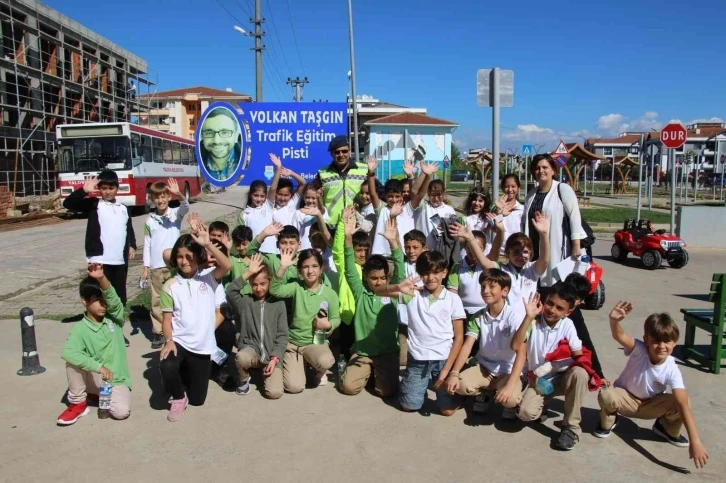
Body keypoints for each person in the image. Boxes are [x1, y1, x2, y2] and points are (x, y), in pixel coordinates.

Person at [595, 302, 708, 469]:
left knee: (683, 403)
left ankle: (666, 429)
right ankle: (610, 420)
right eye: (656, 341)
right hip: (625, 398)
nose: (661, 346)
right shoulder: (639, 350)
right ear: (646, 340)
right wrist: (614, 322)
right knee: (606, 395)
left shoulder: (672, 369)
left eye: (667, 341)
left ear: (674, 343)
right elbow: (620, 336)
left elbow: (682, 404)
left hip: (650, 404)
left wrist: (695, 441)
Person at [159, 221, 232, 422]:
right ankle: (178, 396)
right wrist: (169, 340)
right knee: (167, 365)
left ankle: (182, 380)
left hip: (202, 347)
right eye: (180, 256)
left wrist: (207, 243)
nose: (184, 261)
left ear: (198, 258)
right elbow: (167, 320)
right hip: (180, 342)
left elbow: (227, 265)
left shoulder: (208, 278)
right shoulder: (170, 285)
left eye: (189, 256)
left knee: (198, 400)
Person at [511, 284, 588, 451]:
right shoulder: (534, 322)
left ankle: (571, 428)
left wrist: (547, 368)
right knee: (525, 413)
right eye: (550, 303)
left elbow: (578, 354)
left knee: (580, 374)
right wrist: (528, 317)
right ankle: (542, 404)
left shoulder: (567, 325)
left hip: (560, 378)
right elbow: (515, 345)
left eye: (560, 308)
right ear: (544, 301)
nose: (552, 310)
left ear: (568, 312)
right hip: (536, 380)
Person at [63, 170, 136, 345]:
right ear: (99, 189)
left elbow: (128, 229)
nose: (108, 191)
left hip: (119, 261)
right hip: (100, 260)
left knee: (118, 298)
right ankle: (97, 332)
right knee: (98, 297)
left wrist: (132, 244)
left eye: (111, 188)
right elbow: (69, 203)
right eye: (104, 188)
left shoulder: (123, 209)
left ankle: (116, 330)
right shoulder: (95, 205)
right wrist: (84, 191)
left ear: (117, 188)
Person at [446, 268, 526, 419]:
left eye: (491, 287)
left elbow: (521, 353)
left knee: (511, 399)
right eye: (483, 286)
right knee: (460, 385)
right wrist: (454, 373)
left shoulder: (515, 317)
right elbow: (468, 345)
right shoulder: (478, 317)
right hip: (485, 367)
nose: (485, 291)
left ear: (505, 291)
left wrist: (509, 386)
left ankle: (511, 388)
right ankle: (485, 391)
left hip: (507, 370)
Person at [57, 263, 131, 425]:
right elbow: (68, 352)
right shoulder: (80, 329)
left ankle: (96, 395)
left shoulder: (115, 318)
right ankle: (78, 403)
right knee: (73, 360)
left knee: (121, 412)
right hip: (97, 376)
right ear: (84, 301)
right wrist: (98, 368)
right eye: (97, 301)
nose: (103, 305)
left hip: (116, 380)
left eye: (105, 301)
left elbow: (114, 301)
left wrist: (101, 278)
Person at [339, 215, 403, 398]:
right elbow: (349, 268)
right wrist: (348, 238)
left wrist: (394, 243)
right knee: (349, 388)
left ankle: (378, 373)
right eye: (374, 278)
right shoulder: (360, 293)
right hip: (363, 352)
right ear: (366, 278)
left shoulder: (392, 293)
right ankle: (365, 370)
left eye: (383, 278)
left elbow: (400, 270)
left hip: (387, 352)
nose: (379, 282)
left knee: (386, 391)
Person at [398, 251, 466, 416]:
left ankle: (457, 395)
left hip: (443, 359)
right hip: (418, 358)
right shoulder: (413, 294)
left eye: (435, 272)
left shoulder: (453, 299)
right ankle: (413, 387)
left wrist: (446, 371)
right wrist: (398, 287)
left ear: (444, 272)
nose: (430, 277)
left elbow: (459, 338)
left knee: (447, 411)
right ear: (420, 275)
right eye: (425, 273)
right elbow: (380, 291)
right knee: (409, 407)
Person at [270, 248, 340, 393]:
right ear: (300, 271)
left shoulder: (329, 293)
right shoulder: (296, 287)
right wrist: (283, 267)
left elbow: (336, 318)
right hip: (294, 343)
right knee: (294, 387)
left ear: (321, 269)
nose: (310, 271)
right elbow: (274, 290)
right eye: (305, 267)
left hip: (316, 342)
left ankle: (316, 369)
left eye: (314, 266)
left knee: (326, 360)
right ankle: (298, 364)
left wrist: (328, 324)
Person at [226, 254, 288, 399]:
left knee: (274, 393)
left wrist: (274, 359)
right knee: (241, 357)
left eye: (262, 284)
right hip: (251, 348)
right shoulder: (245, 302)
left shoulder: (278, 304)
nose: (258, 288)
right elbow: (230, 292)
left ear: (269, 282)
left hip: (270, 353)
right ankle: (243, 379)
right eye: (254, 284)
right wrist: (248, 273)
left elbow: (282, 335)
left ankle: (267, 368)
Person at [522, 154, 585, 292]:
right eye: (537, 168)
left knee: (556, 285)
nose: (541, 171)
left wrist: (576, 245)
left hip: (556, 245)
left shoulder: (562, 189)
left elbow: (575, 216)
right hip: (534, 246)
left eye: (545, 167)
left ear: (553, 171)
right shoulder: (531, 194)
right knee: (535, 284)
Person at [141, 179, 189, 349]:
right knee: (156, 299)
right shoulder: (150, 220)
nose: (160, 200)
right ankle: (158, 331)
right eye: (157, 197)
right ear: (152, 199)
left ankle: (175, 328)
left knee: (175, 297)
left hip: (173, 265)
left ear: (169, 197)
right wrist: (146, 267)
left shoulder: (175, 214)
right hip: (156, 266)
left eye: (163, 196)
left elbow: (186, 207)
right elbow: (147, 244)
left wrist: (179, 194)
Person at [370, 160, 436, 257]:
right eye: (390, 196)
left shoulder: (407, 209)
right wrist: (370, 173)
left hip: (403, 256)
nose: (394, 199)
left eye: (397, 196)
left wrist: (427, 176)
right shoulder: (382, 210)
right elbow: (372, 194)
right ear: (385, 196)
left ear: (402, 196)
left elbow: (419, 194)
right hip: (383, 257)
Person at [332, 206, 372, 361]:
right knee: (346, 350)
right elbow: (338, 249)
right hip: (348, 317)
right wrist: (343, 224)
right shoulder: (345, 266)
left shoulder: (371, 269)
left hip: (365, 318)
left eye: (365, 250)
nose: (363, 254)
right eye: (359, 250)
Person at [497, 214, 550, 310]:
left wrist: (544, 234)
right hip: (506, 321)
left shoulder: (532, 269)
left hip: (528, 319)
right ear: (508, 252)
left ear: (531, 253)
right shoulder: (501, 270)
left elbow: (545, 259)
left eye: (525, 252)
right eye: (516, 252)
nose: (521, 256)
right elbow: (486, 262)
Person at [316, 135, 369, 226]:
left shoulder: (364, 169)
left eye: (344, 151)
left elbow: (377, 193)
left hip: (357, 224)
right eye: (337, 152)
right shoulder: (322, 173)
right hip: (332, 225)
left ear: (350, 151)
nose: (341, 155)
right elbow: (312, 194)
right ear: (331, 154)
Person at [564, 273, 606, 381]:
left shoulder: (575, 313)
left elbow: (586, 341)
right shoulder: (548, 305)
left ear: (581, 300)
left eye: (576, 299)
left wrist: (599, 375)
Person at [200, 107, 242, 181]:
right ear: (202, 137)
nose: (217, 141)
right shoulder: (196, 165)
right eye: (209, 133)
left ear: (236, 136)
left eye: (225, 132)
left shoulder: (246, 165)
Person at [238, 174, 276, 254]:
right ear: (250, 194)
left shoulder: (267, 207)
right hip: (254, 253)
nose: (259, 199)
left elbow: (273, 188)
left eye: (262, 196)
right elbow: (241, 236)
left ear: (266, 196)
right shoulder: (244, 214)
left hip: (271, 251)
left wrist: (278, 168)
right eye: (256, 195)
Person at [268, 153, 307, 228]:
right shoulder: (271, 207)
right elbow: (273, 188)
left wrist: (291, 173)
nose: (282, 198)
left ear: (291, 195)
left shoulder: (293, 202)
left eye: (286, 195)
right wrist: (278, 168)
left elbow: (303, 184)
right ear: (275, 193)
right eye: (280, 194)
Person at [292, 184, 331, 250]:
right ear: (303, 196)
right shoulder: (298, 213)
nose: (310, 201)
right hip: (304, 250)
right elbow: (295, 234)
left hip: (322, 250)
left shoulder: (323, 211)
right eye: (307, 197)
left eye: (313, 198)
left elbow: (321, 210)